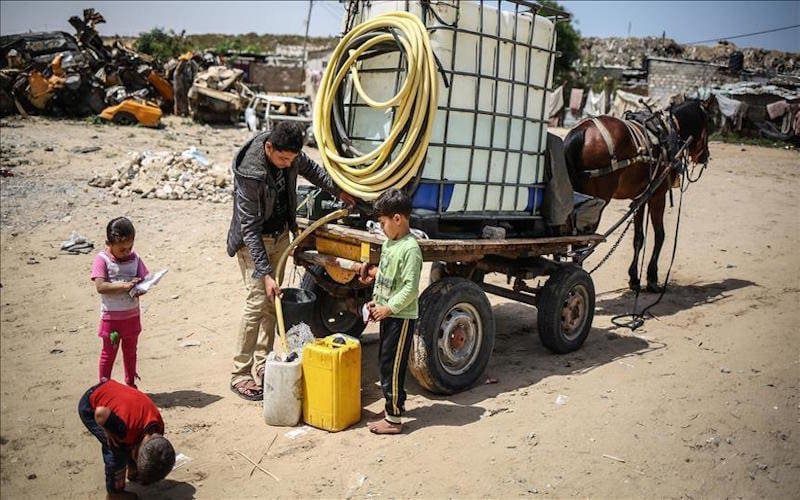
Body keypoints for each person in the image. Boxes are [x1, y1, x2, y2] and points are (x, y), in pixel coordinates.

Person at [226, 122, 356, 401]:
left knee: (273, 302)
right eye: (283, 158)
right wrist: (265, 273)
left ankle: (262, 363)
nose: (288, 164)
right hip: (254, 242)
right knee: (257, 303)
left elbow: (313, 171)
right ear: (268, 147)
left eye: (291, 159)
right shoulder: (250, 172)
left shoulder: (291, 155)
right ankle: (240, 373)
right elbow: (249, 228)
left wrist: (338, 191)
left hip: (280, 236)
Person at [358, 188, 423, 434]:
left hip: (400, 317)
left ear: (397, 219)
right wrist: (376, 301)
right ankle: (392, 407)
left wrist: (388, 308)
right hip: (387, 314)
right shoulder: (389, 243)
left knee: (392, 367)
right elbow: (386, 276)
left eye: (383, 222)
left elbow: (410, 288)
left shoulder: (410, 249)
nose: (381, 228)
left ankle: (393, 419)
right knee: (385, 362)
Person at [78, 379, 175, 499]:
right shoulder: (124, 429)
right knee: (116, 449)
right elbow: (100, 413)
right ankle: (114, 493)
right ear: (135, 454)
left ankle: (133, 469)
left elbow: (154, 453)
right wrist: (108, 430)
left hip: (112, 391)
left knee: (128, 444)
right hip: (91, 403)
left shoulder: (158, 427)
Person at [91, 217, 149, 388]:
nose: (127, 252)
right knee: (109, 353)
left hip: (131, 317)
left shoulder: (135, 258)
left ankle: (130, 384)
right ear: (109, 244)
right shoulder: (102, 259)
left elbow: (144, 279)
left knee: (130, 352)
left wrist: (141, 287)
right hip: (112, 319)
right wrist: (124, 286)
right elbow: (101, 286)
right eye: (122, 249)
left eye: (130, 247)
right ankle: (104, 387)